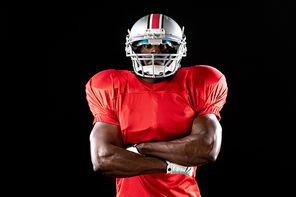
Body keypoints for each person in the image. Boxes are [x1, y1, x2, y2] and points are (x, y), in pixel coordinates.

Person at [86, 14, 228, 197]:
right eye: (146, 44)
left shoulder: (200, 82)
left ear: (180, 48)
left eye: (164, 45)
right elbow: (104, 159)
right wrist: (171, 166)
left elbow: (206, 148)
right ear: (133, 48)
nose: (155, 51)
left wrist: (140, 148)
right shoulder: (110, 85)